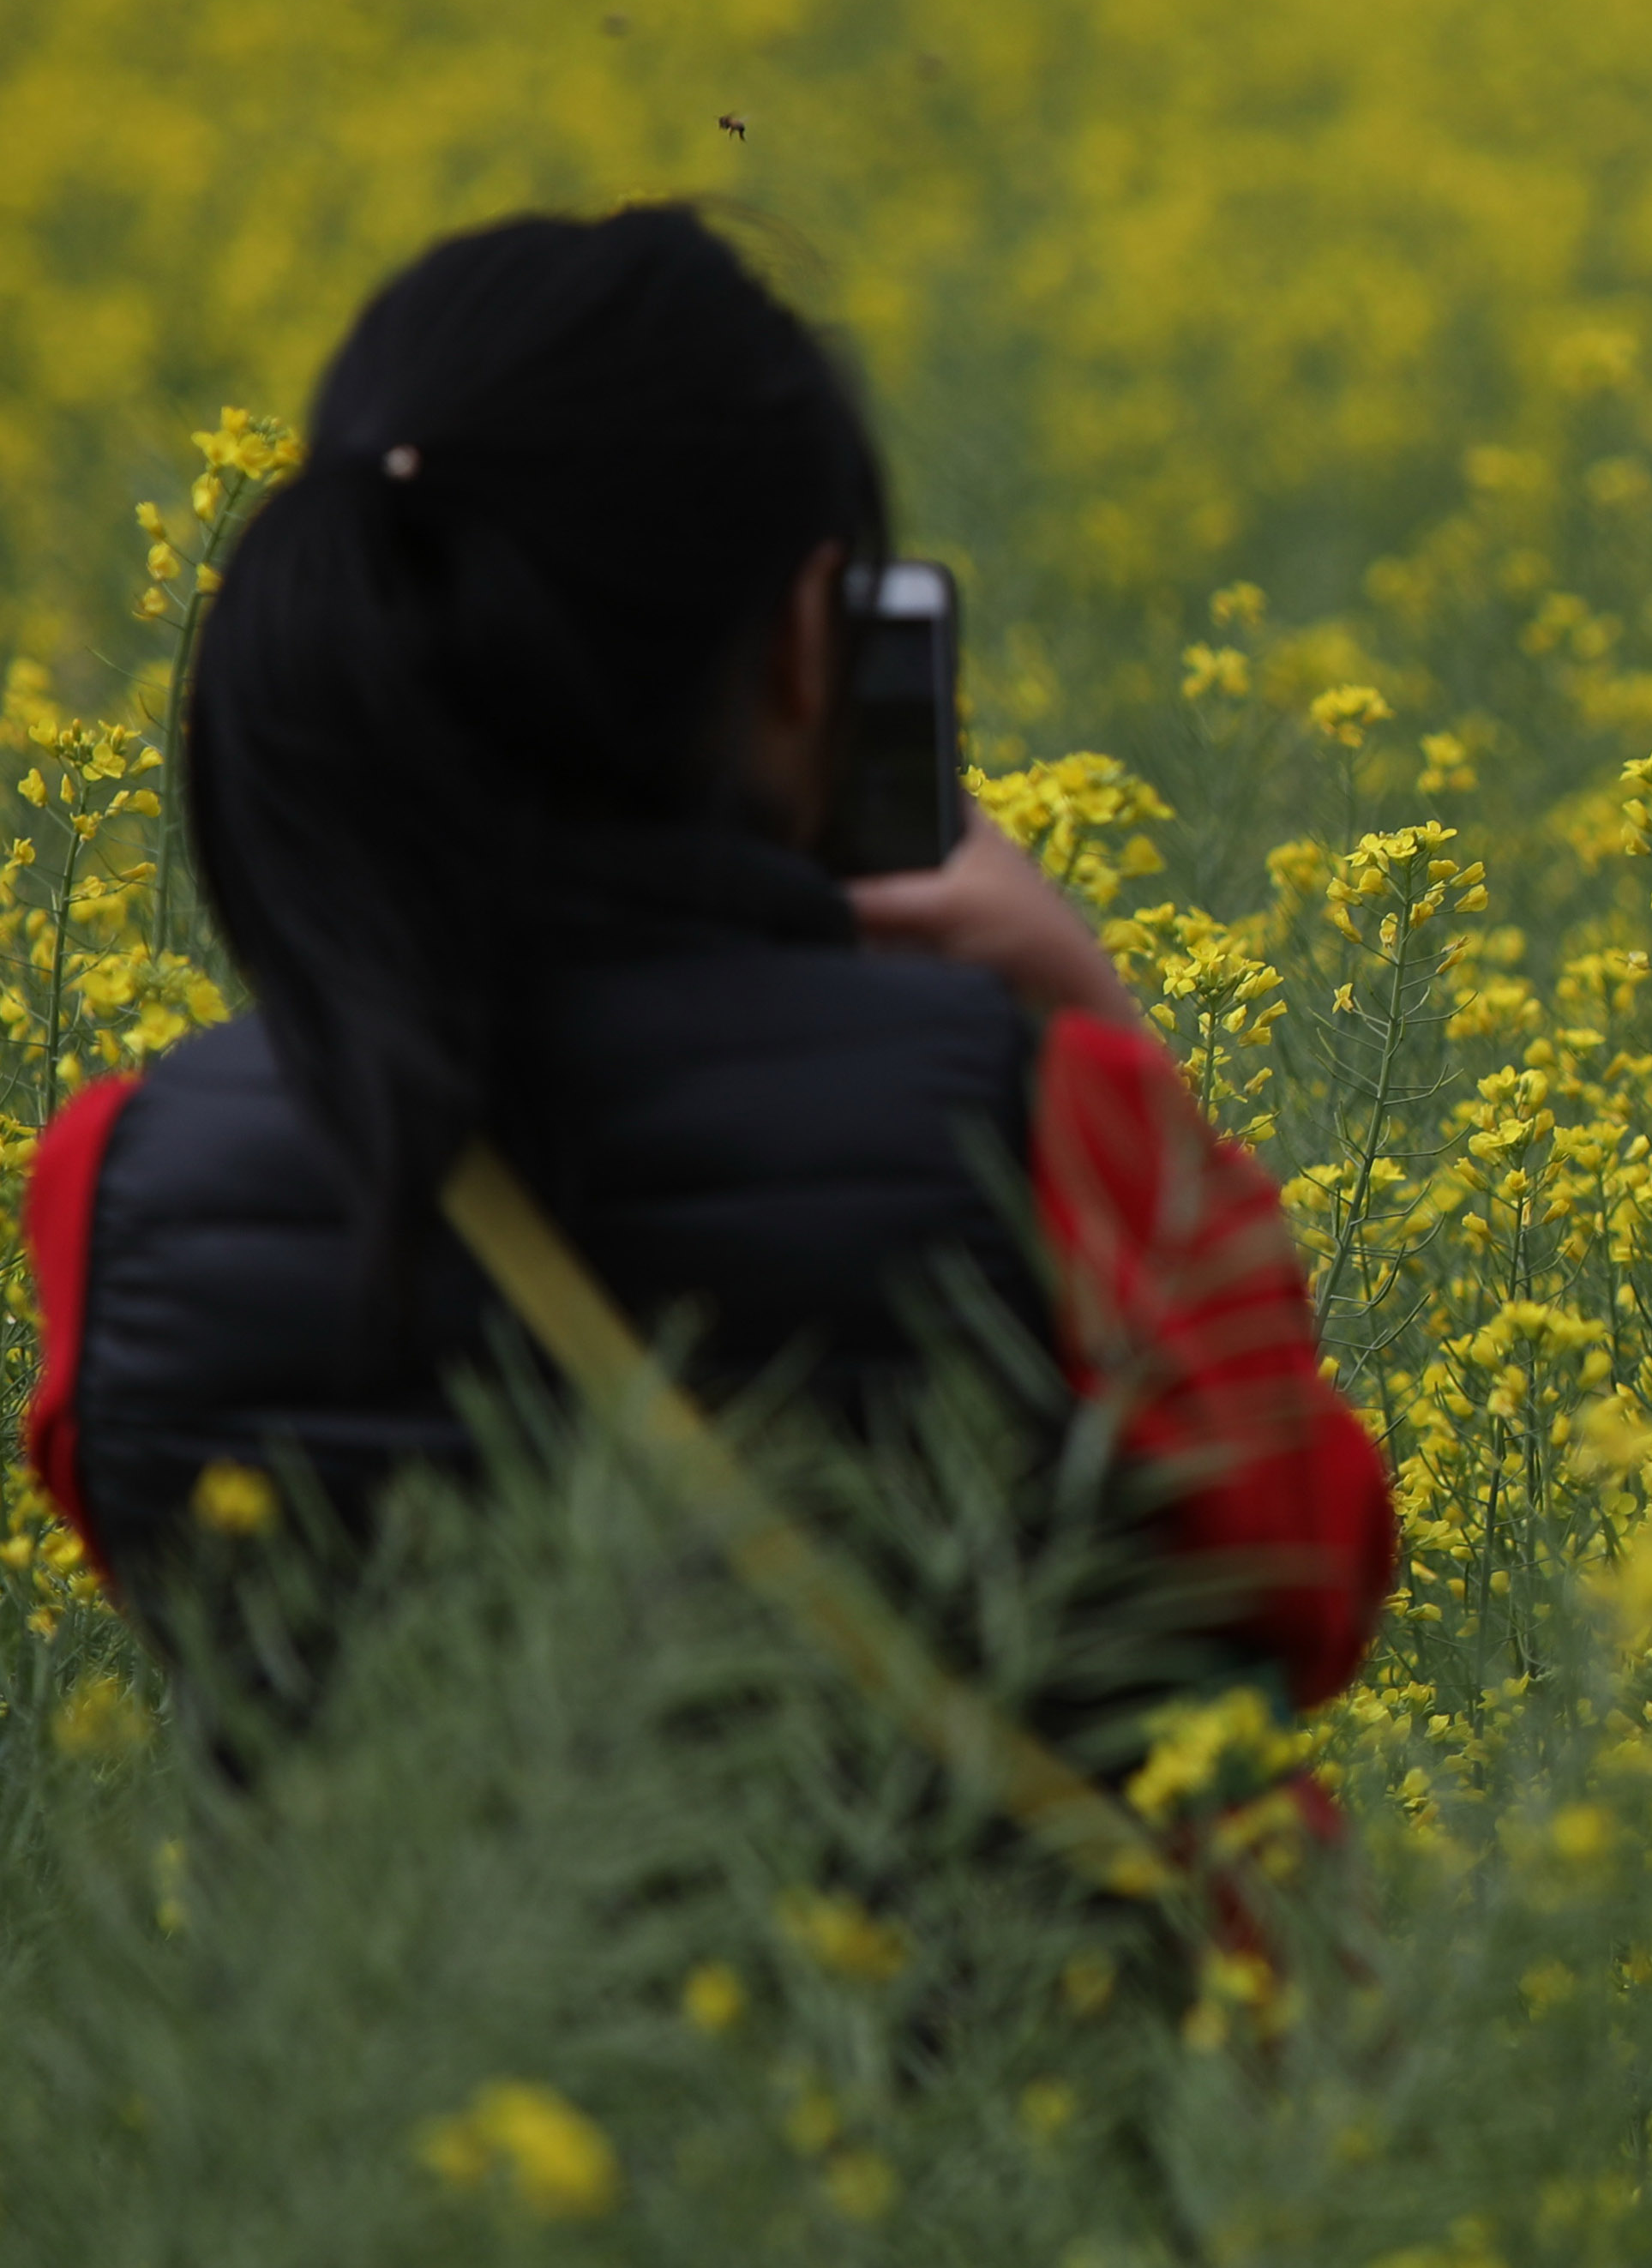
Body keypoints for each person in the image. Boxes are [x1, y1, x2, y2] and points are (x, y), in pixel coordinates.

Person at [21, 206, 1394, 1769]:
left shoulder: (121, 1182)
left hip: (422, 2017)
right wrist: (1091, 1018)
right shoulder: (1032, 1121)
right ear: (812, 647)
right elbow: (1310, 1575)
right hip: (981, 2007)